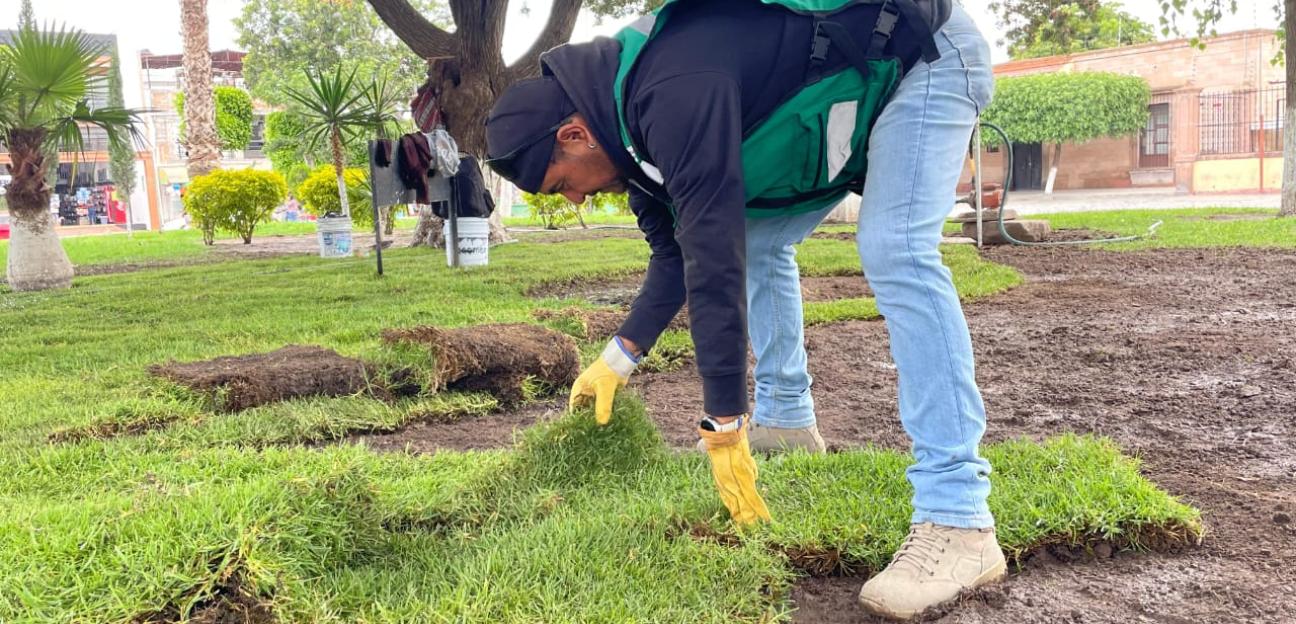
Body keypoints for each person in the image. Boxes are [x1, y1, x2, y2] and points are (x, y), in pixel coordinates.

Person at [485, 0, 1000, 618]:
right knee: (762, 241)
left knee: (896, 248)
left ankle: (958, 518)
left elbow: (712, 255)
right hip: (859, 83)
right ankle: (786, 419)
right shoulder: (623, 131)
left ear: (574, 134)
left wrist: (723, 419)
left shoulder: (672, 91)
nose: (575, 198)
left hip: (925, 60)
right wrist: (616, 358)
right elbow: (675, 255)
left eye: (562, 183)